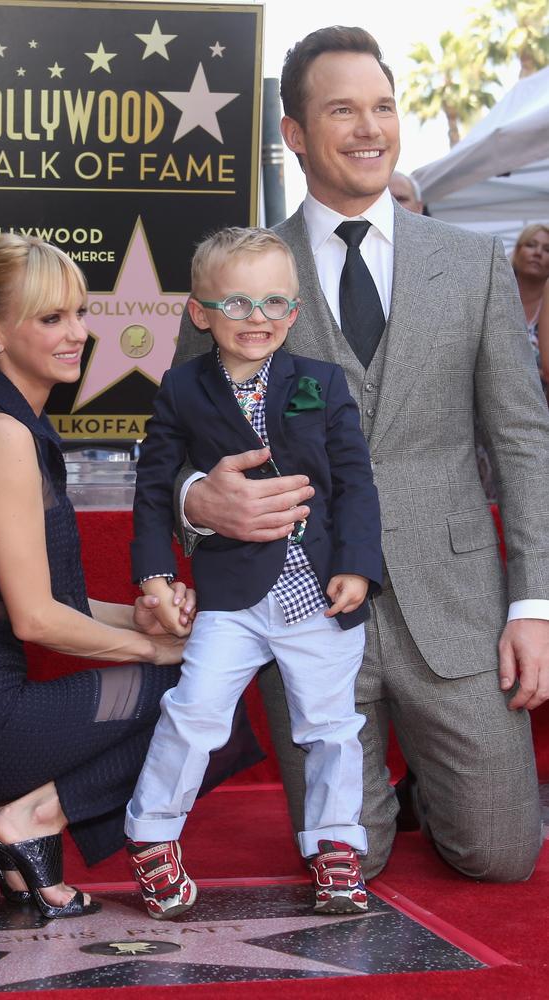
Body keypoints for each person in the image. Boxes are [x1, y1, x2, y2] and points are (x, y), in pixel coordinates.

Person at [173, 25, 549, 884]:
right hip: (301, 606)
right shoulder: (239, 267)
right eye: (342, 109)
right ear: (296, 134)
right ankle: (379, 797)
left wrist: (534, 603)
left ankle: (432, 784)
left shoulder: (472, 266)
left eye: (382, 106)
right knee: (349, 860)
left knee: (500, 857)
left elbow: (524, 441)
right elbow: (180, 436)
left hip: (454, 611)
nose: (369, 127)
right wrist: (201, 499)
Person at [0, 234, 260, 920]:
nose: (78, 334)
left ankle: (4, 822)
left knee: (199, 668)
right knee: (206, 692)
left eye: (78, 313)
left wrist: (145, 616)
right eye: (51, 318)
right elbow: (38, 620)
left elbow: (54, 601)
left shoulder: (7, 423)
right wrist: (162, 650)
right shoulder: (1, 435)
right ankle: (31, 818)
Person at [123, 227, 382, 919]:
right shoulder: (181, 388)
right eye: (235, 303)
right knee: (193, 711)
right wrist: (153, 575)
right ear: (200, 312)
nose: (257, 317)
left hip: (319, 593)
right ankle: (152, 834)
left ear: (295, 311)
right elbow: (154, 489)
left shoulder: (321, 385)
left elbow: (356, 483)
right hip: (232, 595)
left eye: (273, 302)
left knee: (330, 726)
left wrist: (358, 566)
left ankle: (334, 852)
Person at [510, 224, 549, 398]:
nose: (538, 253)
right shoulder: (497, 296)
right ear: (517, 251)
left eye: (547, 249)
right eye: (531, 245)